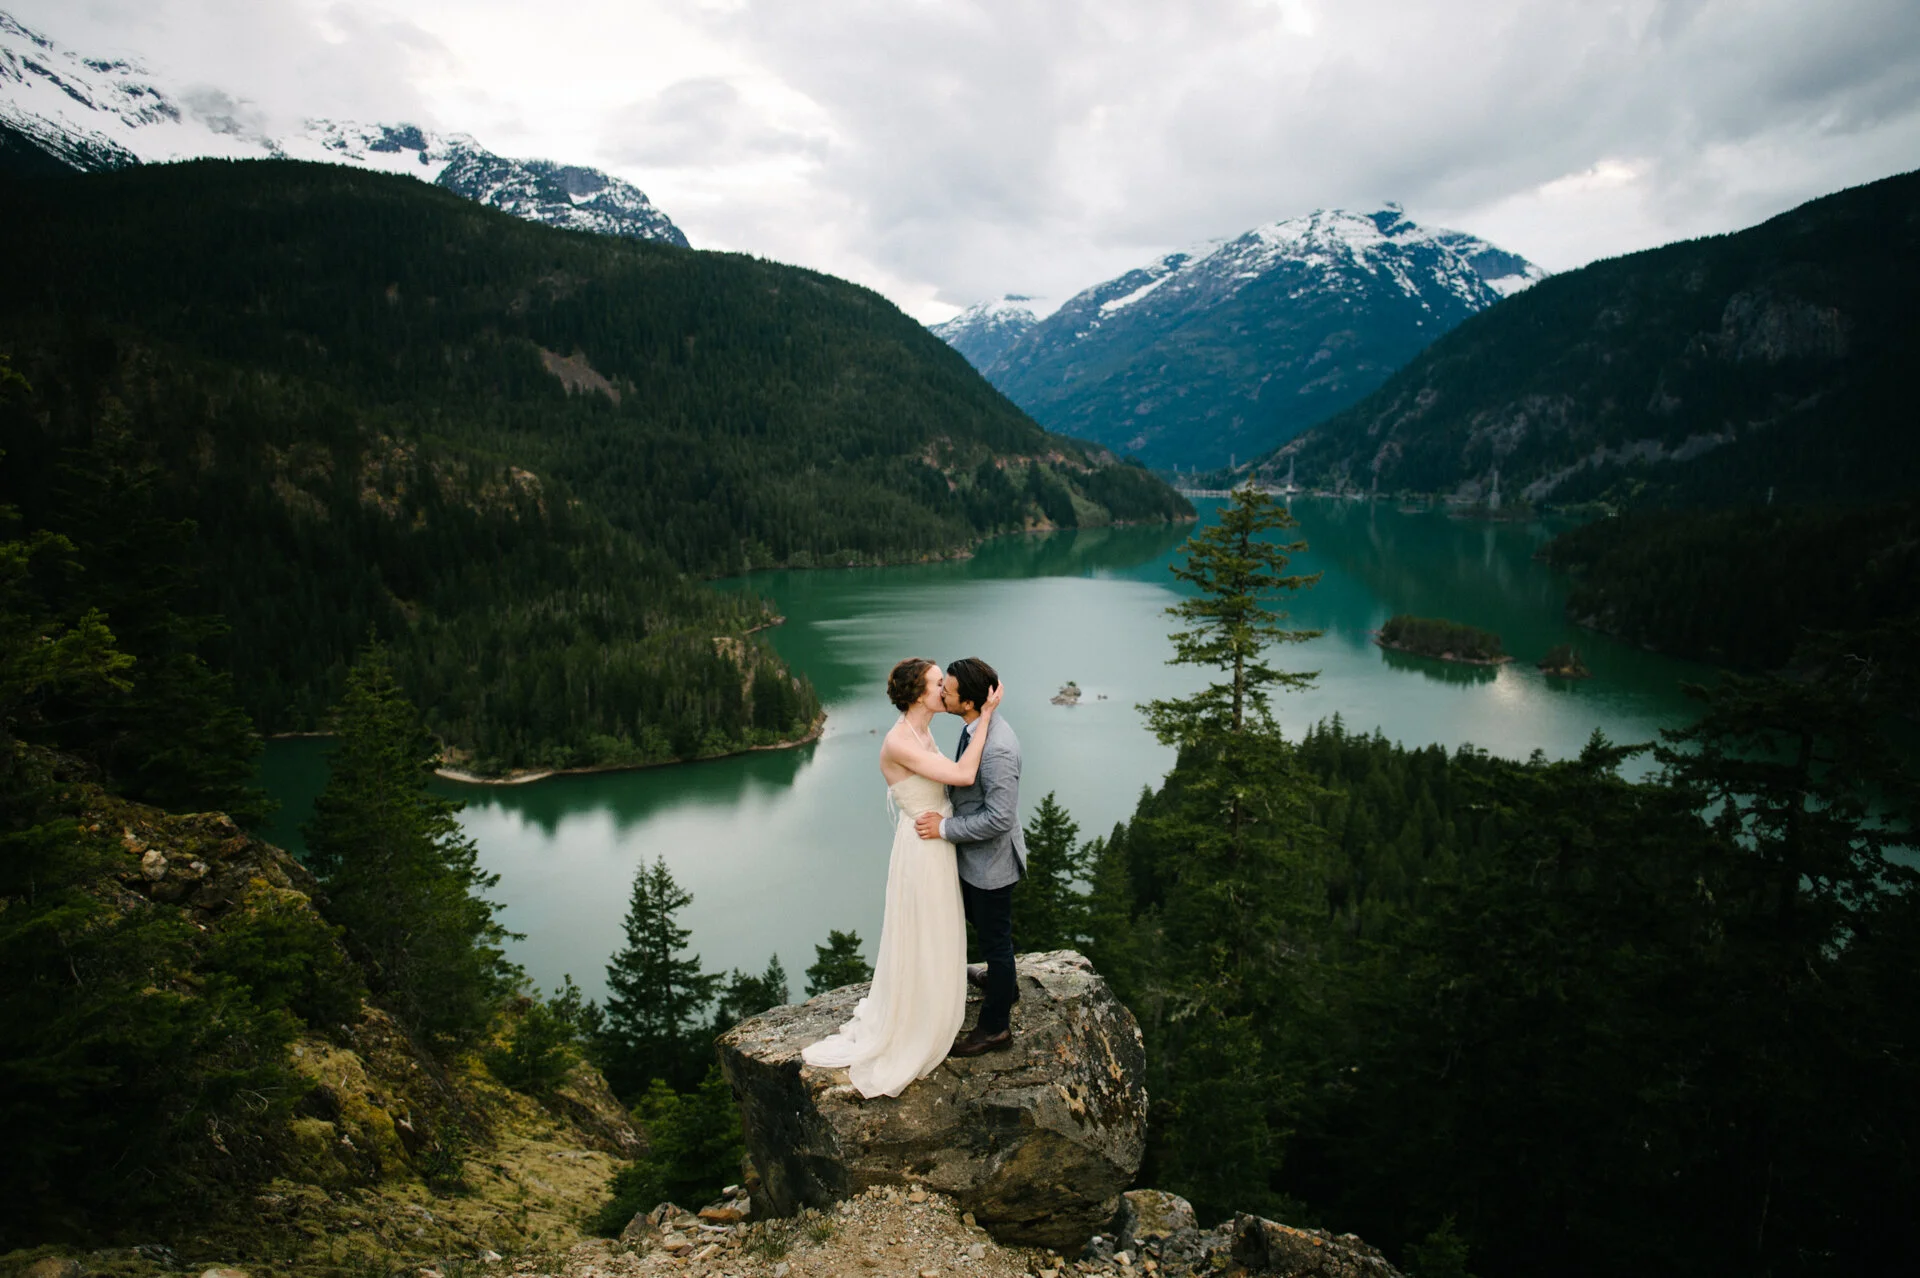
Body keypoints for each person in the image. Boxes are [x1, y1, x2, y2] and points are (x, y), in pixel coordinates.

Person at [800, 656, 1004, 1098]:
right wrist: (986, 715)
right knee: (926, 928)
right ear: (916, 694)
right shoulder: (899, 742)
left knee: (940, 927)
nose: (945, 688)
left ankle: (937, 998)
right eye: (936, 683)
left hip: (936, 839)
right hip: (923, 849)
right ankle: (922, 1017)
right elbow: (964, 774)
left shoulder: (923, 731)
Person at [915, 656, 1025, 1058]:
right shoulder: (977, 726)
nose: (941, 691)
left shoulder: (997, 749)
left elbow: (999, 819)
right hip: (977, 861)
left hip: (991, 864)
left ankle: (996, 1027)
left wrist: (943, 829)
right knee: (984, 927)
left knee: (996, 943)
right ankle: (1003, 985)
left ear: (968, 703)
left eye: (948, 689)